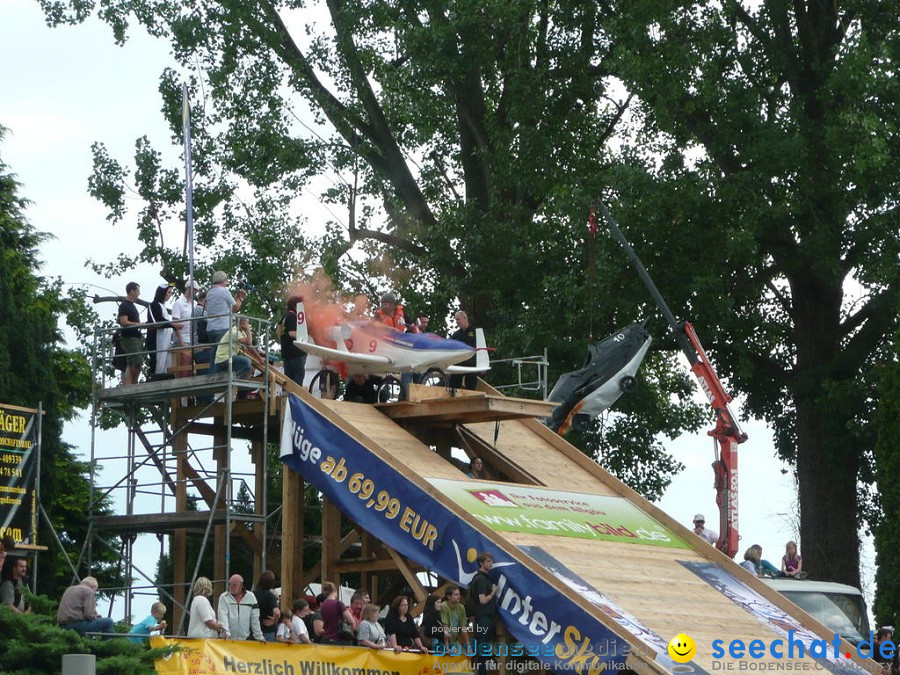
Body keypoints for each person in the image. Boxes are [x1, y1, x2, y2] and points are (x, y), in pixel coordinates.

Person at [470, 552, 499, 672]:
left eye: (491, 561)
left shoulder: (485, 578)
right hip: (483, 618)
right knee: (482, 649)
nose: (491, 563)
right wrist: (493, 593)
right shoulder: (480, 579)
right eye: (488, 561)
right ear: (481, 563)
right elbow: (482, 600)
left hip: (488, 618)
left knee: (485, 650)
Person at [205, 271, 248, 347]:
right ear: (223, 280)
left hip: (210, 328)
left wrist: (236, 298)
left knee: (215, 354)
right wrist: (241, 297)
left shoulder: (209, 292)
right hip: (222, 327)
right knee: (222, 355)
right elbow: (235, 308)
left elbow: (226, 306)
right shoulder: (223, 291)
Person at [217, 574, 264, 641]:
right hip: (227, 640)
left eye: (234, 585)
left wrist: (259, 637)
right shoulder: (224, 597)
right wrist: (226, 634)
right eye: (230, 584)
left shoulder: (251, 597)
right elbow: (222, 616)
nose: (231, 587)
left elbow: (255, 619)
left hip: (245, 640)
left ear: (241, 586)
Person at [146, 283, 178, 377]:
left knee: (166, 361)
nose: (170, 294)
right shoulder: (154, 305)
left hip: (165, 341)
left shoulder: (163, 306)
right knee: (157, 362)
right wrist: (172, 324)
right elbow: (157, 322)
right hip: (156, 340)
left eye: (171, 292)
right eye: (168, 292)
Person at [171, 279, 199, 377]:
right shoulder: (178, 303)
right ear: (188, 288)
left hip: (193, 338)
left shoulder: (195, 303)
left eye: (196, 290)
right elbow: (175, 324)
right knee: (184, 366)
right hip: (182, 338)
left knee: (192, 367)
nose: (195, 292)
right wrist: (180, 341)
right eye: (194, 290)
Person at [118, 281, 144, 385]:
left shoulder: (131, 305)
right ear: (132, 291)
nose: (139, 293)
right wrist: (138, 324)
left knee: (130, 363)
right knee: (138, 361)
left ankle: (128, 384)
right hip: (130, 338)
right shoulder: (124, 305)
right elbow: (124, 322)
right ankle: (134, 382)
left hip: (134, 337)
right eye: (138, 291)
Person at [279, 295, 307, 387]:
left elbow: (278, 331)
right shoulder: (294, 317)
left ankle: (287, 398)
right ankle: (295, 398)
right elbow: (292, 333)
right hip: (297, 352)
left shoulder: (285, 317)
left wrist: (283, 342)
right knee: (299, 376)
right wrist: (305, 338)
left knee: (288, 379)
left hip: (286, 353)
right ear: (296, 306)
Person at [449, 311, 477, 390]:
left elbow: (482, 348)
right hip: (459, 365)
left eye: (458, 319)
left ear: (465, 319)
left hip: (471, 366)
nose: (457, 322)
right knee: (453, 387)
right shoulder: (456, 335)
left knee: (471, 389)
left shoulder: (475, 332)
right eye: (456, 320)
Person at [440, 586, 471, 652]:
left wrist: (469, 647)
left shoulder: (461, 607)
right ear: (449, 596)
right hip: (444, 640)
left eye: (459, 594)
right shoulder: (444, 606)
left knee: (466, 656)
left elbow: (463, 628)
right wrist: (448, 646)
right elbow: (445, 627)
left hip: (454, 639)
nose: (459, 596)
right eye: (456, 594)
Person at [254, 570, 281, 642]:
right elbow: (277, 612)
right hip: (267, 629)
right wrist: (275, 620)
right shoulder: (270, 596)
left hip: (255, 628)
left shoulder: (253, 594)